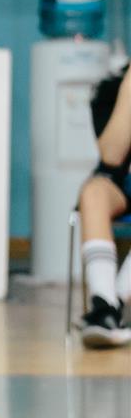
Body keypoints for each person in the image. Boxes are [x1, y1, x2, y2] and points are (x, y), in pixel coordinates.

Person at [77, 65, 131, 347]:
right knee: (93, 192)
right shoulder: (110, 89)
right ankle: (103, 304)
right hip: (121, 183)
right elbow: (111, 155)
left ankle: (113, 304)